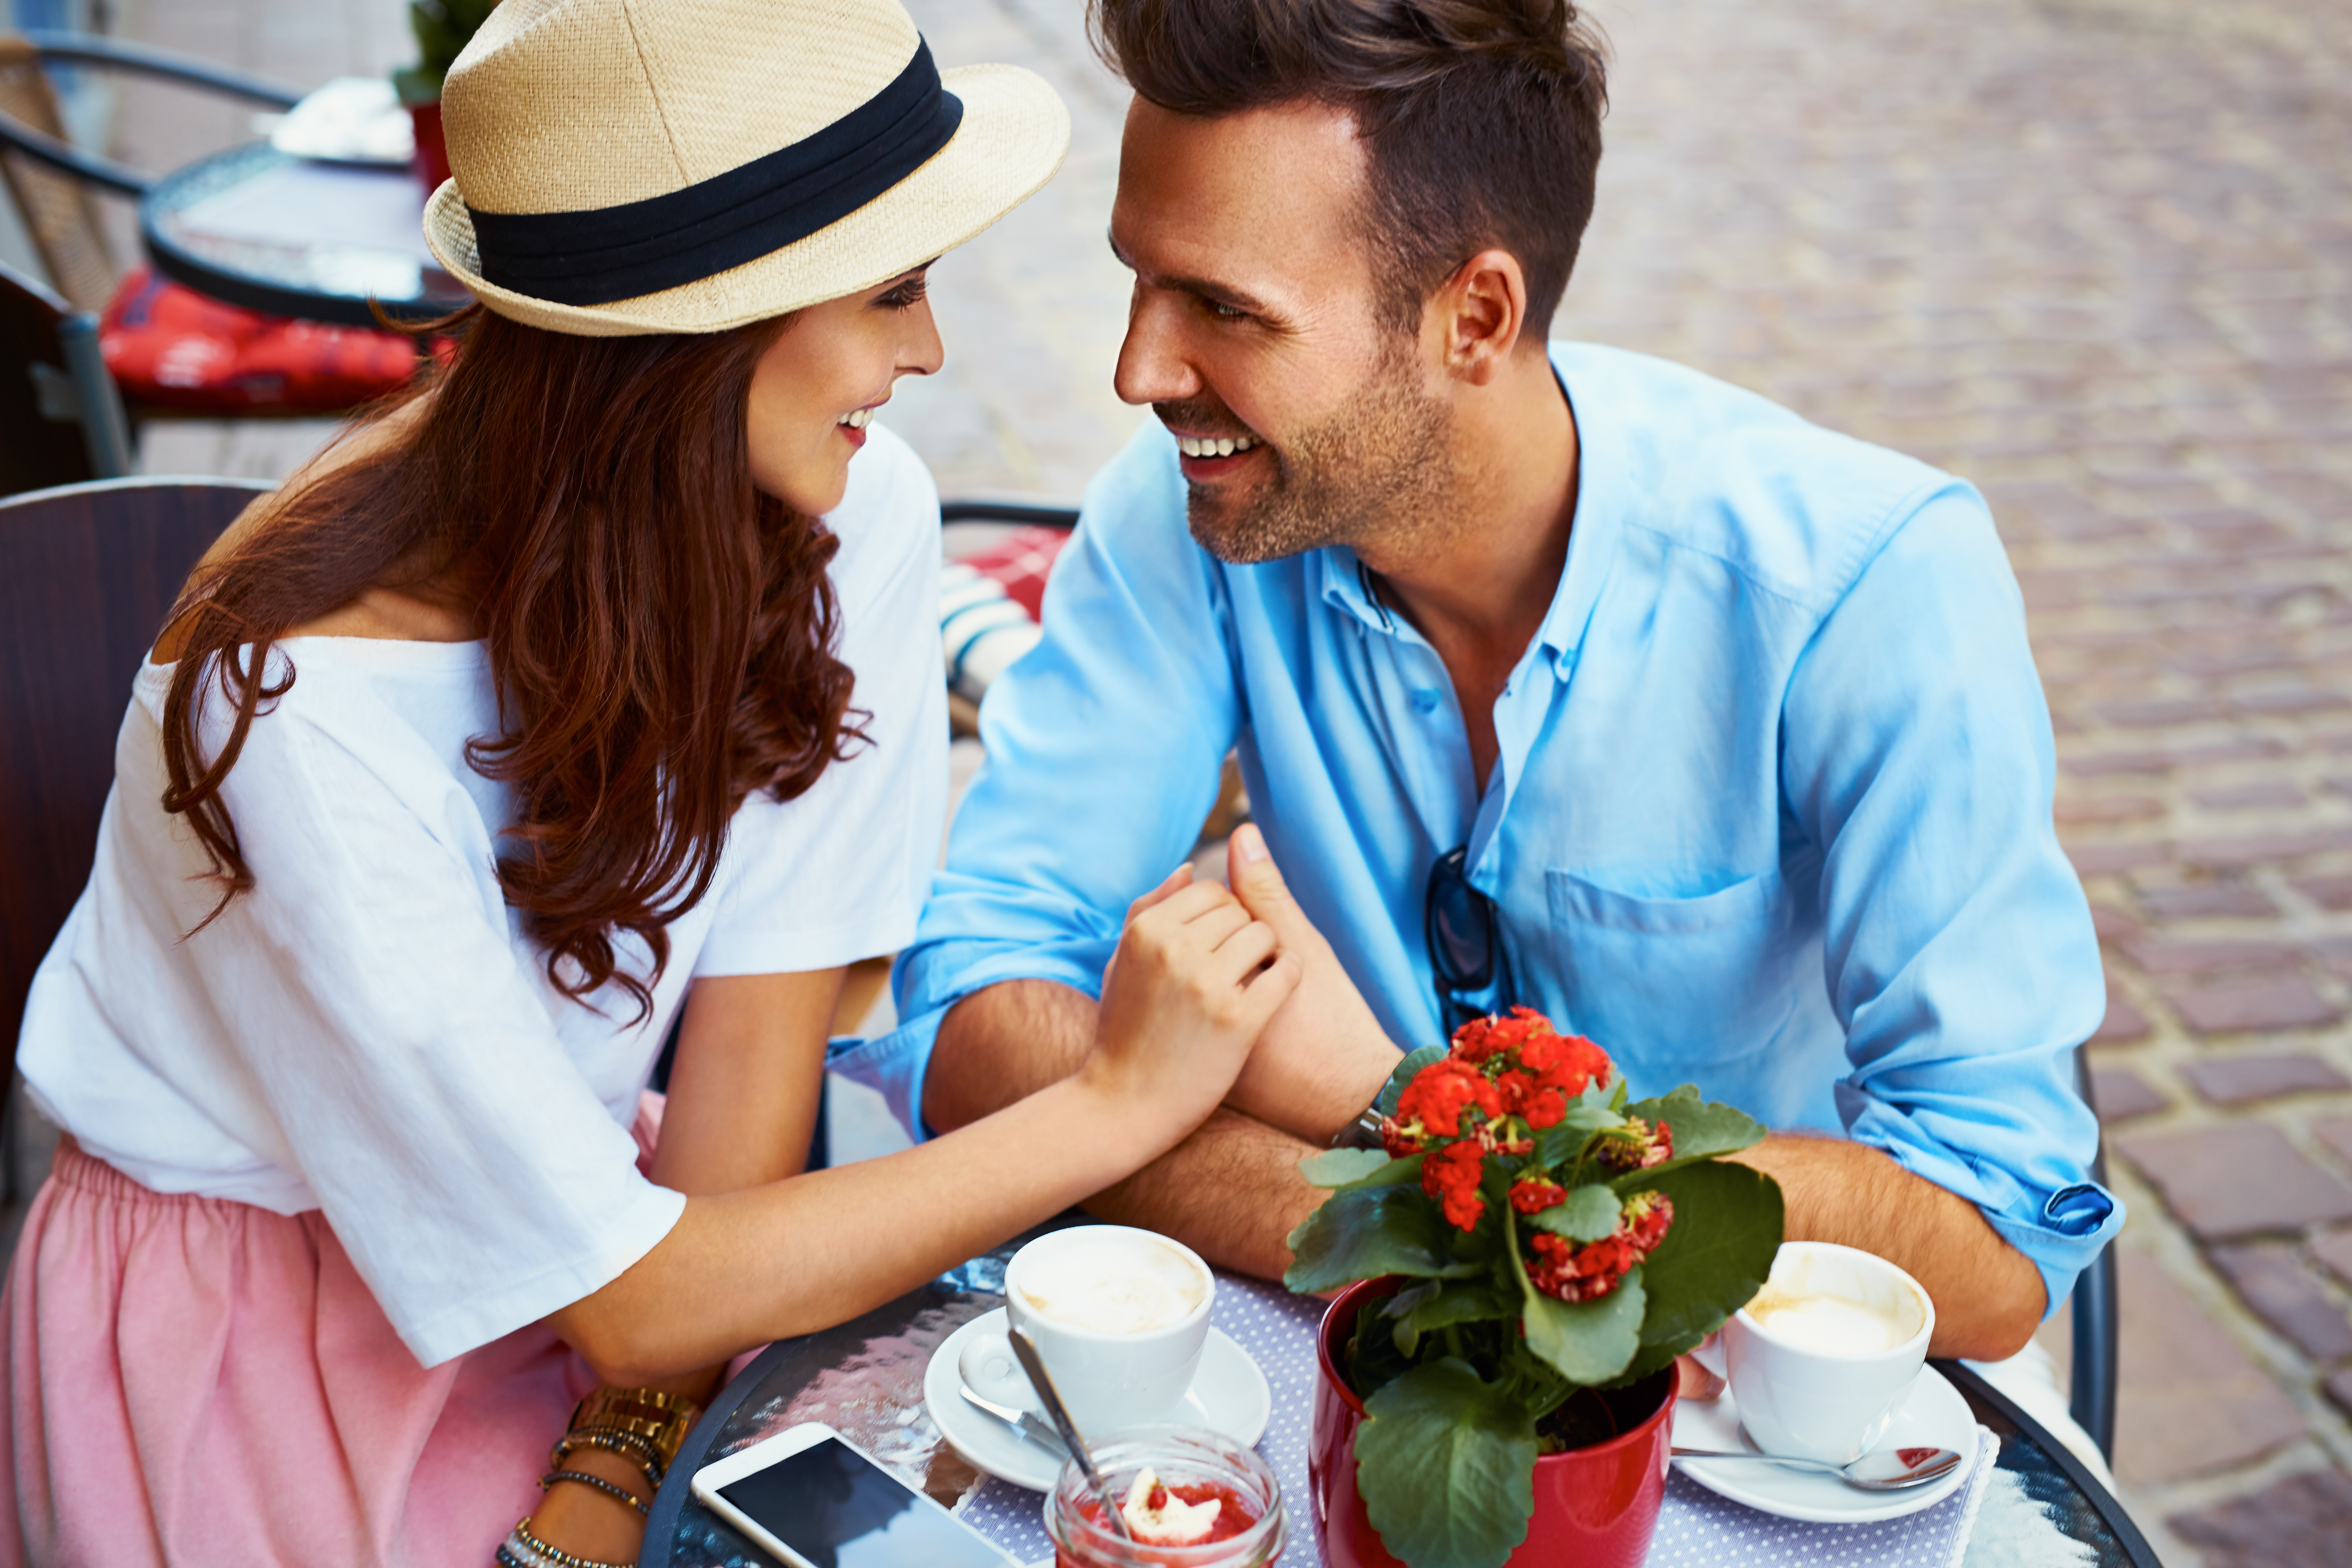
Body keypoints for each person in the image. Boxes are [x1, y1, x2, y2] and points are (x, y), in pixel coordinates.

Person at [0, 2, 1300, 1565]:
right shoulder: (295, 717)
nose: (929, 348)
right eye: (890, 289)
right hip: (262, 1342)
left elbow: (757, 1024)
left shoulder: (846, 503)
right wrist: (1119, 1104)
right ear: (696, 337)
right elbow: (628, 1298)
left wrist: (619, 1450)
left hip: (642, 1255)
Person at [857, 0, 2123, 1385]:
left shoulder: (1865, 589)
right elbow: (969, 999)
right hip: (1335, 1369)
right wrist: (1412, 1225)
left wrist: (1381, 1107)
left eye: (1224, 308)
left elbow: (1994, 1244)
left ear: (1476, 315)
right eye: (1142, 282)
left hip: (1745, 1409)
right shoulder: (1188, 521)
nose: (1139, 371)